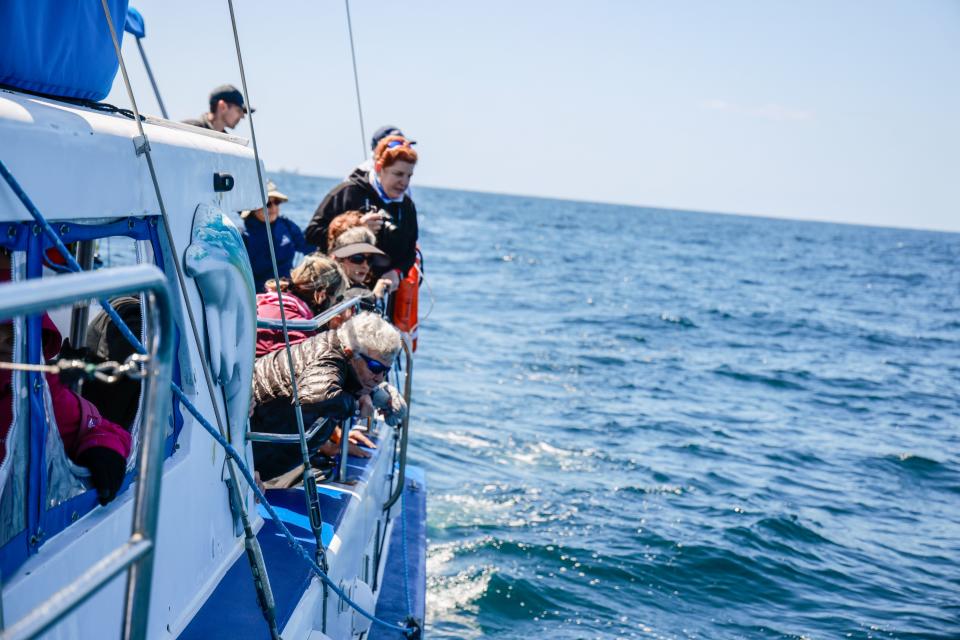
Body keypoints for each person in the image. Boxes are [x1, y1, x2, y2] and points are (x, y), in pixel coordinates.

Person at [250, 312, 406, 482]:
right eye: (375, 368)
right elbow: (316, 398)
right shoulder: (328, 358)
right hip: (250, 439)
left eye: (386, 371)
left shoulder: (339, 349)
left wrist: (371, 392)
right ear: (351, 353)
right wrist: (354, 404)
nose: (380, 377)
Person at [0, 315, 132, 506]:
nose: (2, 346)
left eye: (13, 338)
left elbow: (100, 429)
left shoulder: (42, 396)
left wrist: (101, 448)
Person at [305, 135, 419, 290]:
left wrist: (397, 272)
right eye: (398, 174)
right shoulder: (348, 192)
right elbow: (311, 234)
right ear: (379, 168)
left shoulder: (407, 206)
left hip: (378, 292)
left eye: (409, 176)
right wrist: (356, 227)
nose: (404, 182)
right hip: (333, 287)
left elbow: (409, 253)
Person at [255, 253, 348, 357]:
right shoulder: (303, 330)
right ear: (321, 295)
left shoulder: (266, 301)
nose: (336, 305)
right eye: (337, 298)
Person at [241, 181, 314, 293]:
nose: (274, 207)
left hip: (287, 291)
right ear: (253, 207)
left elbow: (307, 247)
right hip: (259, 297)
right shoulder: (243, 237)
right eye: (268, 203)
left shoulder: (287, 225)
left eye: (277, 202)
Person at [330, 226, 392, 301]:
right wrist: (376, 299)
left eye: (370, 260)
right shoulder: (321, 285)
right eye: (357, 258)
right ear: (338, 259)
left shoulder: (362, 292)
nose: (365, 266)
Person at [182, 84, 252, 133]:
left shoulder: (228, 145)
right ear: (223, 107)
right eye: (239, 111)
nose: (243, 117)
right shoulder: (188, 130)